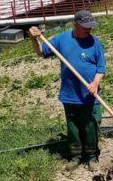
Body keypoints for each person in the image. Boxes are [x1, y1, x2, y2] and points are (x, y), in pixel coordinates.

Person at [29, 10, 106, 172]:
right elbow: (40, 52)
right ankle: (76, 156)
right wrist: (33, 38)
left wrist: (95, 83)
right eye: (85, 26)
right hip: (69, 95)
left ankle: (92, 156)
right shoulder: (62, 39)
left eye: (91, 26)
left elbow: (101, 68)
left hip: (90, 95)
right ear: (75, 25)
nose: (88, 29)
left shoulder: (95, 43)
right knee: (73, 128)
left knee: (92, 125)